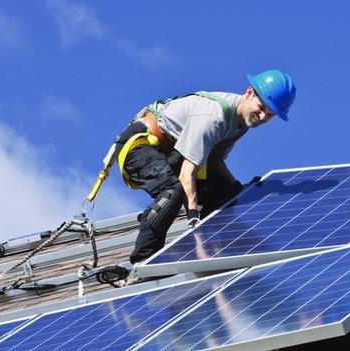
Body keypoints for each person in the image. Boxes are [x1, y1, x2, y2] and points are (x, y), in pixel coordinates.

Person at [114, 69, 296, 267]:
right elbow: (186, 175)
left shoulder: (240, 125)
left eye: (269, 116)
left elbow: (214, 161)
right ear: (249, 92)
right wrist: (193, 219)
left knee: (227, 193)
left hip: (172, 155)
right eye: (261, 108)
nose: (262, 117)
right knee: (172, 191)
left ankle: (221, 249)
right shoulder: (214, 117)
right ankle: (143, 261)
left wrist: (237, 188)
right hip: (140, 145)